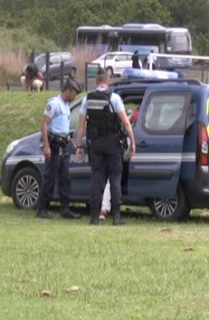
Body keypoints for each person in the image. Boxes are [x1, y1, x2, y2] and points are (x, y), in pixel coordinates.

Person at [75, 73, 136, 225]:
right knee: (115, 177)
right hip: (112, 143)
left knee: (96, 178)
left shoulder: (86, 99)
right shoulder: (114, 98)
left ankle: (94, 217)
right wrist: (132, 143)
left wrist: (78, 146)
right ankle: (116, 217)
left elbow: (81, 125)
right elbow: (126, 123)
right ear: (107, 82)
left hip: (95, 143)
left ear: (96, 83)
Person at [35, 78, 82, 220]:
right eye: (74, 93)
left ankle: (65, 208)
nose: (75, 96)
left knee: (65, 178)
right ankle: (42, 209)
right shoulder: (54, 104)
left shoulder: (67, 106)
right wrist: (47, 146)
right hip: (54, 146)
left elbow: (62, 129)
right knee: (50, 177)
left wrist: (72, 143)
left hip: (63, 145)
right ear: (67, 91)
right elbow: (44, 125)